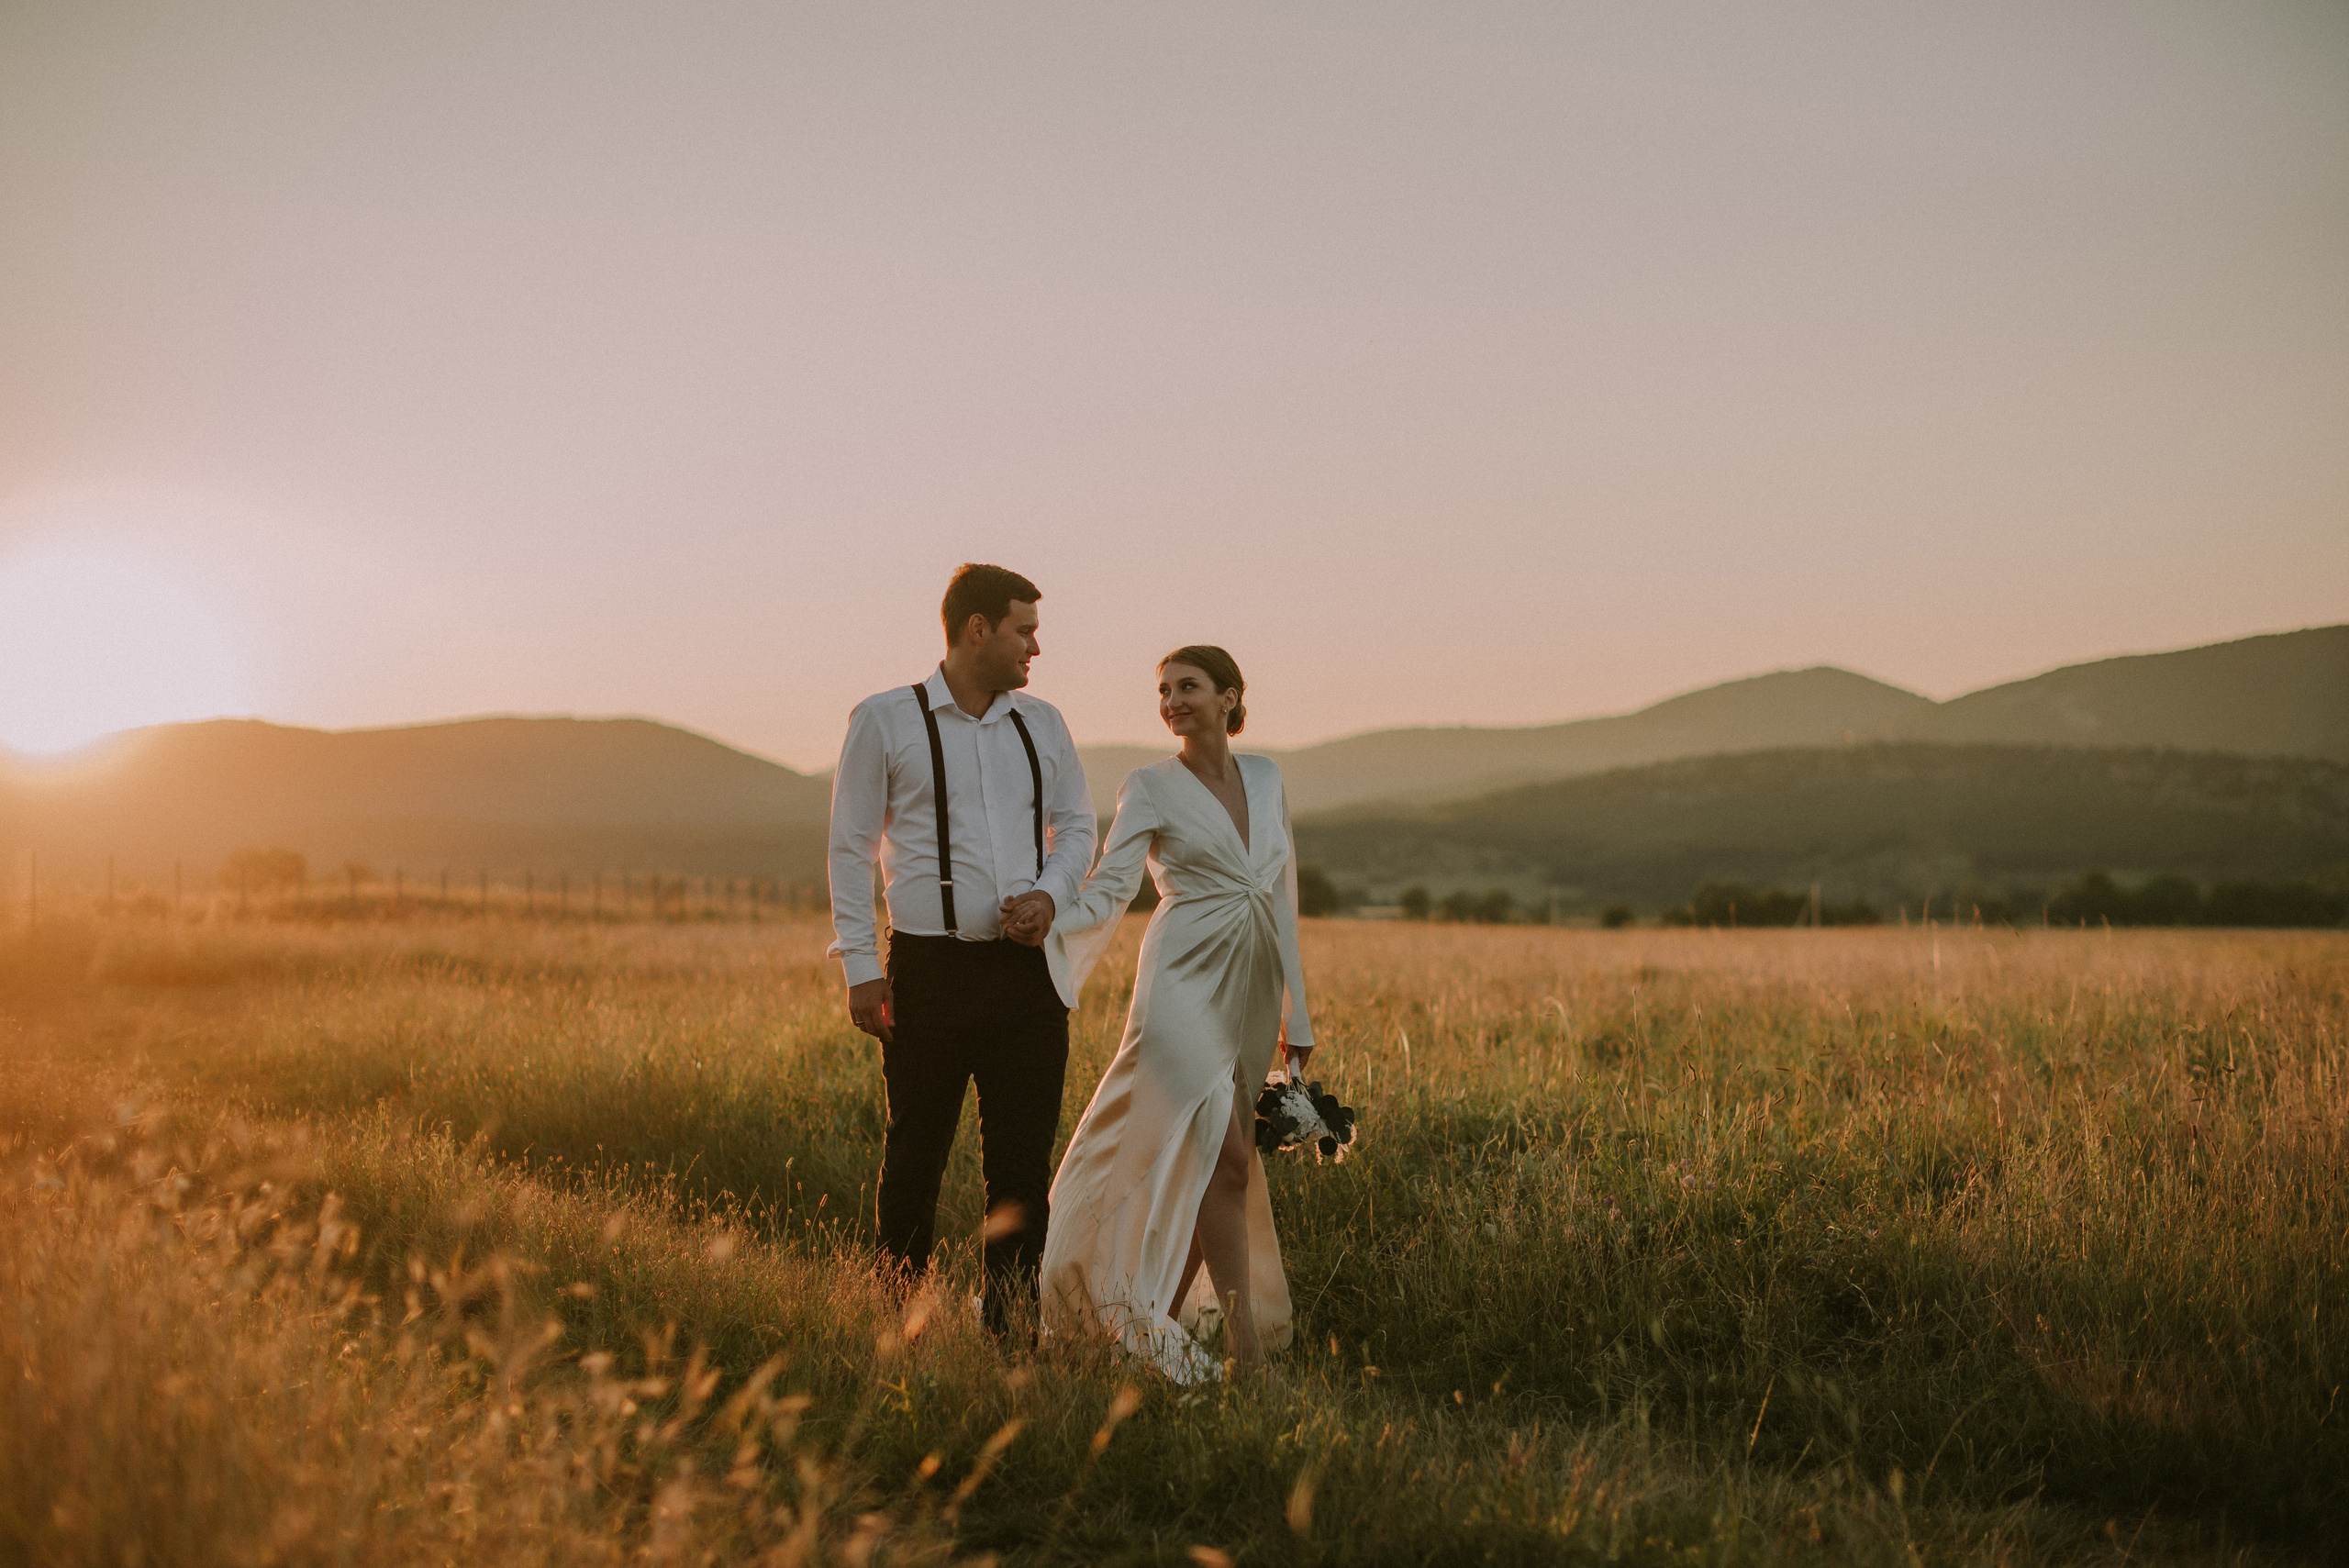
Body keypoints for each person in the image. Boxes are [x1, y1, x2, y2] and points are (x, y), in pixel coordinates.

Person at [827, 563, 1096, 1338]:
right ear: (977, 628)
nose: (1035, 647)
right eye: (1024, 629)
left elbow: (1078, 825)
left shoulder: (1042, 722)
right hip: (928, 970)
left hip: (1026, 977)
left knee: (1020, 1169)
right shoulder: (884, 718)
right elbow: (849, 848)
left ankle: (1012, 1333)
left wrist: (1049, 894)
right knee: (915, 1158)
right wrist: (860, 967)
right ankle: (898, 1326)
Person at [1037, 645, 1317, 1381]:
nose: (1171, 701)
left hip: (1251, 984)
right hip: (1180, 982)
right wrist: (1049, 914)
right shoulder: (1149, 787)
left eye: (1187, 687)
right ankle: (1247, 1351)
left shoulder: (1266, 775)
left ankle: (1157, 1307)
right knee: (1224, 1152)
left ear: (1230, 696)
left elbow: (1281, 893)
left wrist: (1301, 1012)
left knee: (1219, 1163)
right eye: (1163, 690)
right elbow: (1112, 885)